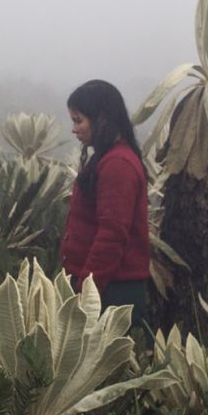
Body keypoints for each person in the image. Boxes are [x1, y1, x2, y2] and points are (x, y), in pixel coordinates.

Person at [60, 79, 151, 325]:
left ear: (100, 119)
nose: (74, 129)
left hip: (111, 291)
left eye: (78, 120)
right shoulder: (107, 158)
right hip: (101, 287)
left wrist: (87, 292)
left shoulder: (117, 164)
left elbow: (112, 234)